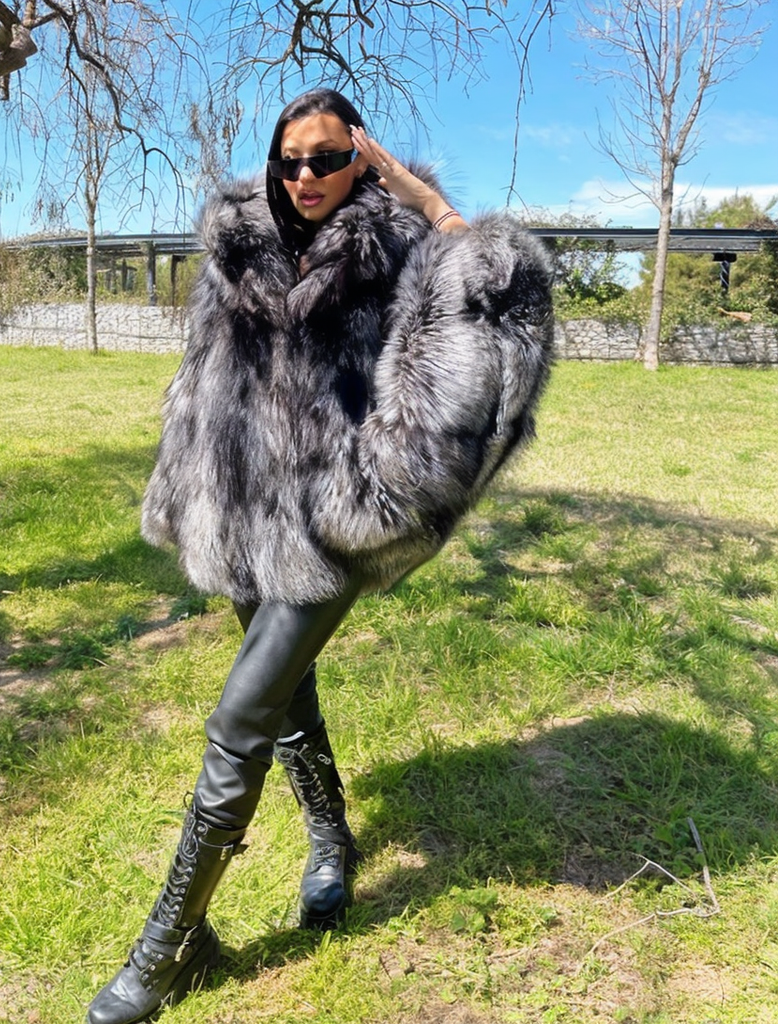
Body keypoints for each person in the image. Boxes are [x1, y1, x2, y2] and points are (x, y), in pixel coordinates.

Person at [86, 88, 554, 1024]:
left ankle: (171, 944)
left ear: (362, 159)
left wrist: (433, 208)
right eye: (291, 160)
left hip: (335, 524)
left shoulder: (403, 248)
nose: (307, 176)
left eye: (329, 159)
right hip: (236, 513)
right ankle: (332, 837)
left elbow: (497, 320)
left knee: (240, 715)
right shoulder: (236, 245)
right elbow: (200, 377)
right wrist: (186, 486)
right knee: (285, 693)